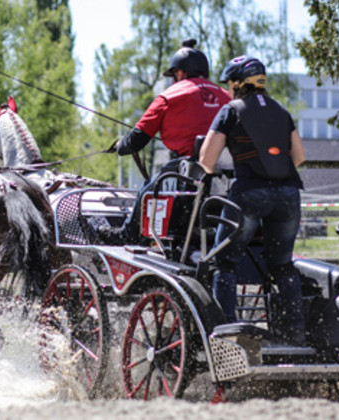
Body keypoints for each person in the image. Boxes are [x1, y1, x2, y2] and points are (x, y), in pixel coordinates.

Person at [198, 55, 306, 345]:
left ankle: (228, 335)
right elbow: (299, 157)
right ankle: (294, 334)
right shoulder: (281, 111)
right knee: (282, 265)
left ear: (237, 83)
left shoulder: (230, 111)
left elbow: (207, 159)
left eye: (230, 83)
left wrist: (219, 170)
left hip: (248, 192)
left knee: (225, 261)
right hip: (288, 194)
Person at [101, 38, 231, 244]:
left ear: (181, 72)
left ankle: (127, 236)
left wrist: (120, 146)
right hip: (223, 176)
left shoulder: (169, 96)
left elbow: (136, 140)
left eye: (173, 75)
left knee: (147, 189)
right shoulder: (227, 97)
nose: (173, 80)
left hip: (188, 170)